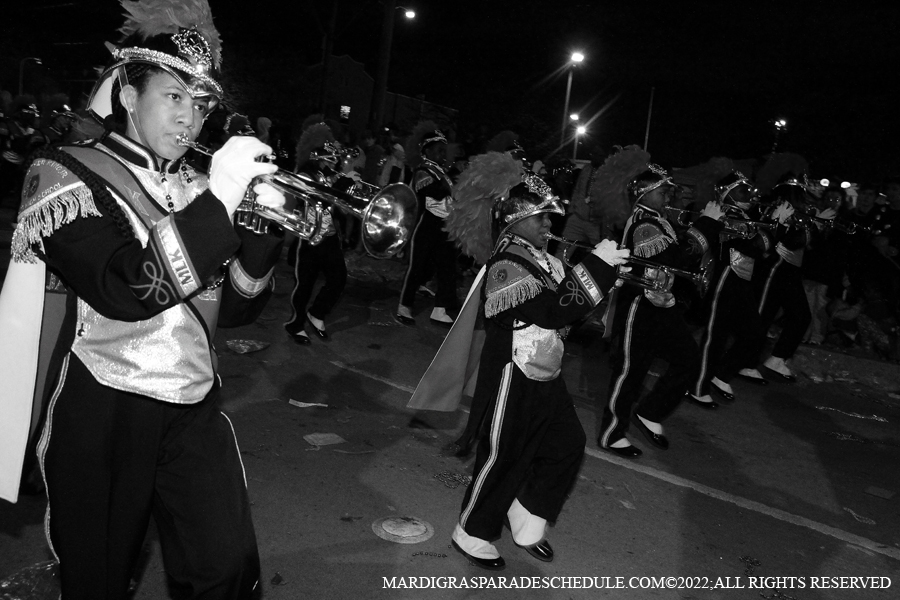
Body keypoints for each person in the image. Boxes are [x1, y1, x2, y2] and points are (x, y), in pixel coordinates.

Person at [0, 1, 286, 596]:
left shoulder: (201, 187)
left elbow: (232, 310)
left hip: (193, 404)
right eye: (174, 96)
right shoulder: (64, 174)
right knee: (100, 577)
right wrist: (225, 199)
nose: (191, 118)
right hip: (104, 405)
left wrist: (263, 237)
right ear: (129, 96)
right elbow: (127, 289)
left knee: (226, 567)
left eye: (201, 104)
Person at [411, 151, 628, 569]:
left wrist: (608, 278)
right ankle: (472, 530)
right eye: (542, 217)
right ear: (514, 219)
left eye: (551, 217)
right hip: (514, 373)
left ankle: (525, 510)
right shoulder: (506, 264)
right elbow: (552, 310)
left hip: (547, 371)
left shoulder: (544, 258)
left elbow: (571, 311)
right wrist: (596, 269)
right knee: (504, 454)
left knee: (568, 445)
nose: (550, 225)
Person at [599, 165, 724, 458]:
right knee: (630, 372)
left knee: (688, 360)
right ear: (645, 192)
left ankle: (650, 412)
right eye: (663, 190)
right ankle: (612, 433)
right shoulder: (644, 223)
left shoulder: (660, 219)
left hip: (661, 302)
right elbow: (676, 258)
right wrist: (705, 224)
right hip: (639, 306)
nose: (670, 193)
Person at [689, 171, 772, 406]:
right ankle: (697, 386)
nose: (749, 194)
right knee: (715, 337)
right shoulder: (725, 214)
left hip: (742, 282)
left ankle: (721, 374)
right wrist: (766, 235)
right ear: (727, 193)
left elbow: (764, 245)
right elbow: (755, 247)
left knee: (755, 333)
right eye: (742, 190)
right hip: (724, 279)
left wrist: (766, 234)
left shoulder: (746, 215)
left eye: (749, 189)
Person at [283, 121, 350, 345]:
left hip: (330, 238)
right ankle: (295, 324)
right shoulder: (304, 174)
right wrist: (342, 185)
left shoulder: (332, 175)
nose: (333, 158)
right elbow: (320, 195)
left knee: (339, 278)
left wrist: (351, 186)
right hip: (309, 238)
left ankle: (317, 313)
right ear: (316, 153)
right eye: (328, 153)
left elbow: (339, 202)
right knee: (305, 285)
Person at [396, 121, 459, 326]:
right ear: (427, 151)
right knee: (417, 267)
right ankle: (404, 306)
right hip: (426, 225)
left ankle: (440, 309)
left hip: (444, 226)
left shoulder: (442, 173)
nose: (443, 155)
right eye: (439, 151)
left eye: (444, 151)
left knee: (447, 269)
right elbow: (434, 192)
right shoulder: (423, 171)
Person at [553, 145, 610, 265]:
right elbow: (578, 190)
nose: (593, 157)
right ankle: (554, 278)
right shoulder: (587, 168)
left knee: (599, 257)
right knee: (562, 252)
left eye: (597, 155)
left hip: (596, 223)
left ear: (605, 157)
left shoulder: (610, 173)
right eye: (592, 154)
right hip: (577, 219)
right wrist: (573, 209)